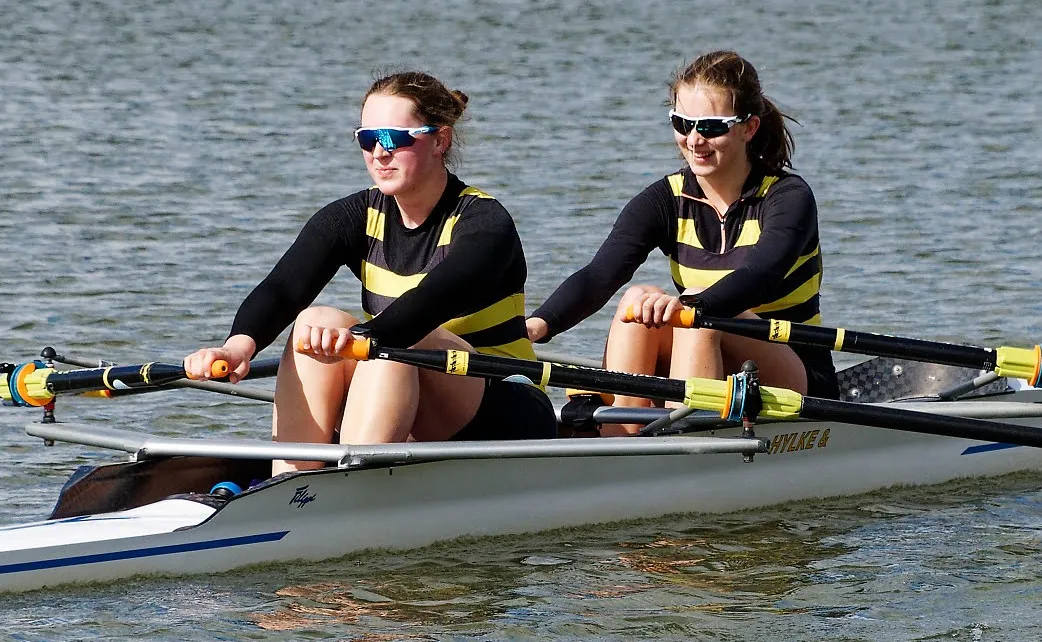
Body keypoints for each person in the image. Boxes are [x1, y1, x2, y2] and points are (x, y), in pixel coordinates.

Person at [184, 71, 557, 473]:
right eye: (367, 138)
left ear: (440, 141)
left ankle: (349, 488)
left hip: (507, 404)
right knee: (314, 322)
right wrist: (238, 347)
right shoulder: (354, 216)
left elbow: (436, 298)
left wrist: (364, 337)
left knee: (401, 340)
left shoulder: (484, 221)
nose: (379, 152)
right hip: (404, 379)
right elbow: (283, 288)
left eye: (396, 138)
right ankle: (294, 479)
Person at [526, 50, 839, 435]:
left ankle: (686, 444)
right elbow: (598, 276)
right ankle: (620, 440)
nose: (694, 140)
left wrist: (691, 305)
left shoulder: (787, 198)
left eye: (711, 127)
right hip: (709, 364)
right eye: (682, 123)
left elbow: (763, 273)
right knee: (634, 304)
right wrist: (535, 327)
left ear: (749, 127)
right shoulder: (664, 199)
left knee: (701, 313)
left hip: (796, 377)